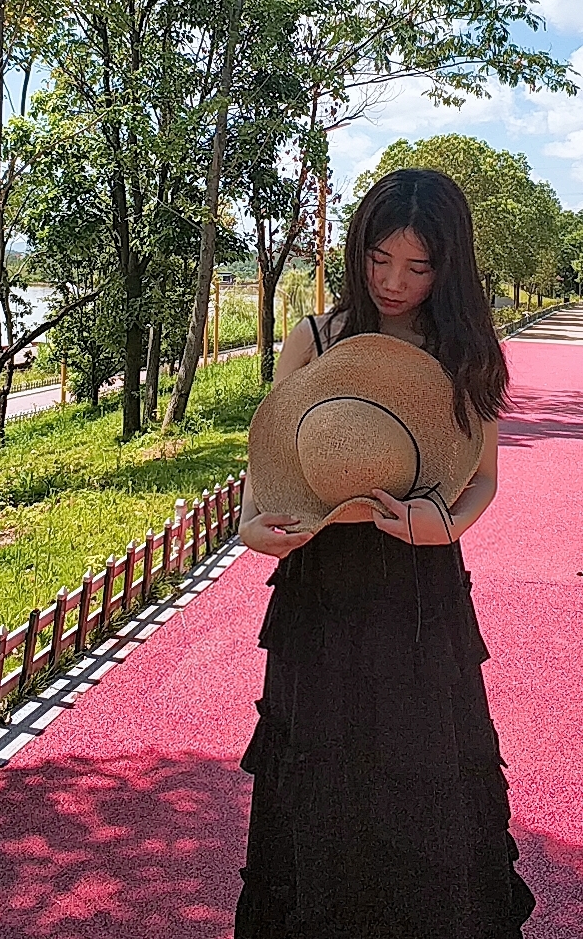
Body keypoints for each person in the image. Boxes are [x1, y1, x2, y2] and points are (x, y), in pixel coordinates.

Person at [235, 167, 535, 939]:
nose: (394, 280)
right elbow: (269, 456)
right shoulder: (318, 336)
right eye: (379, 259)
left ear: (450, 266)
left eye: (418, 265)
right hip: (320, 588)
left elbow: (485, 478)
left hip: (418, 586)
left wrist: (450, 527)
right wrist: (249, 527)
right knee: (320, 771)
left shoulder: (464, 349)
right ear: (357, 250)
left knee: (424, 766)